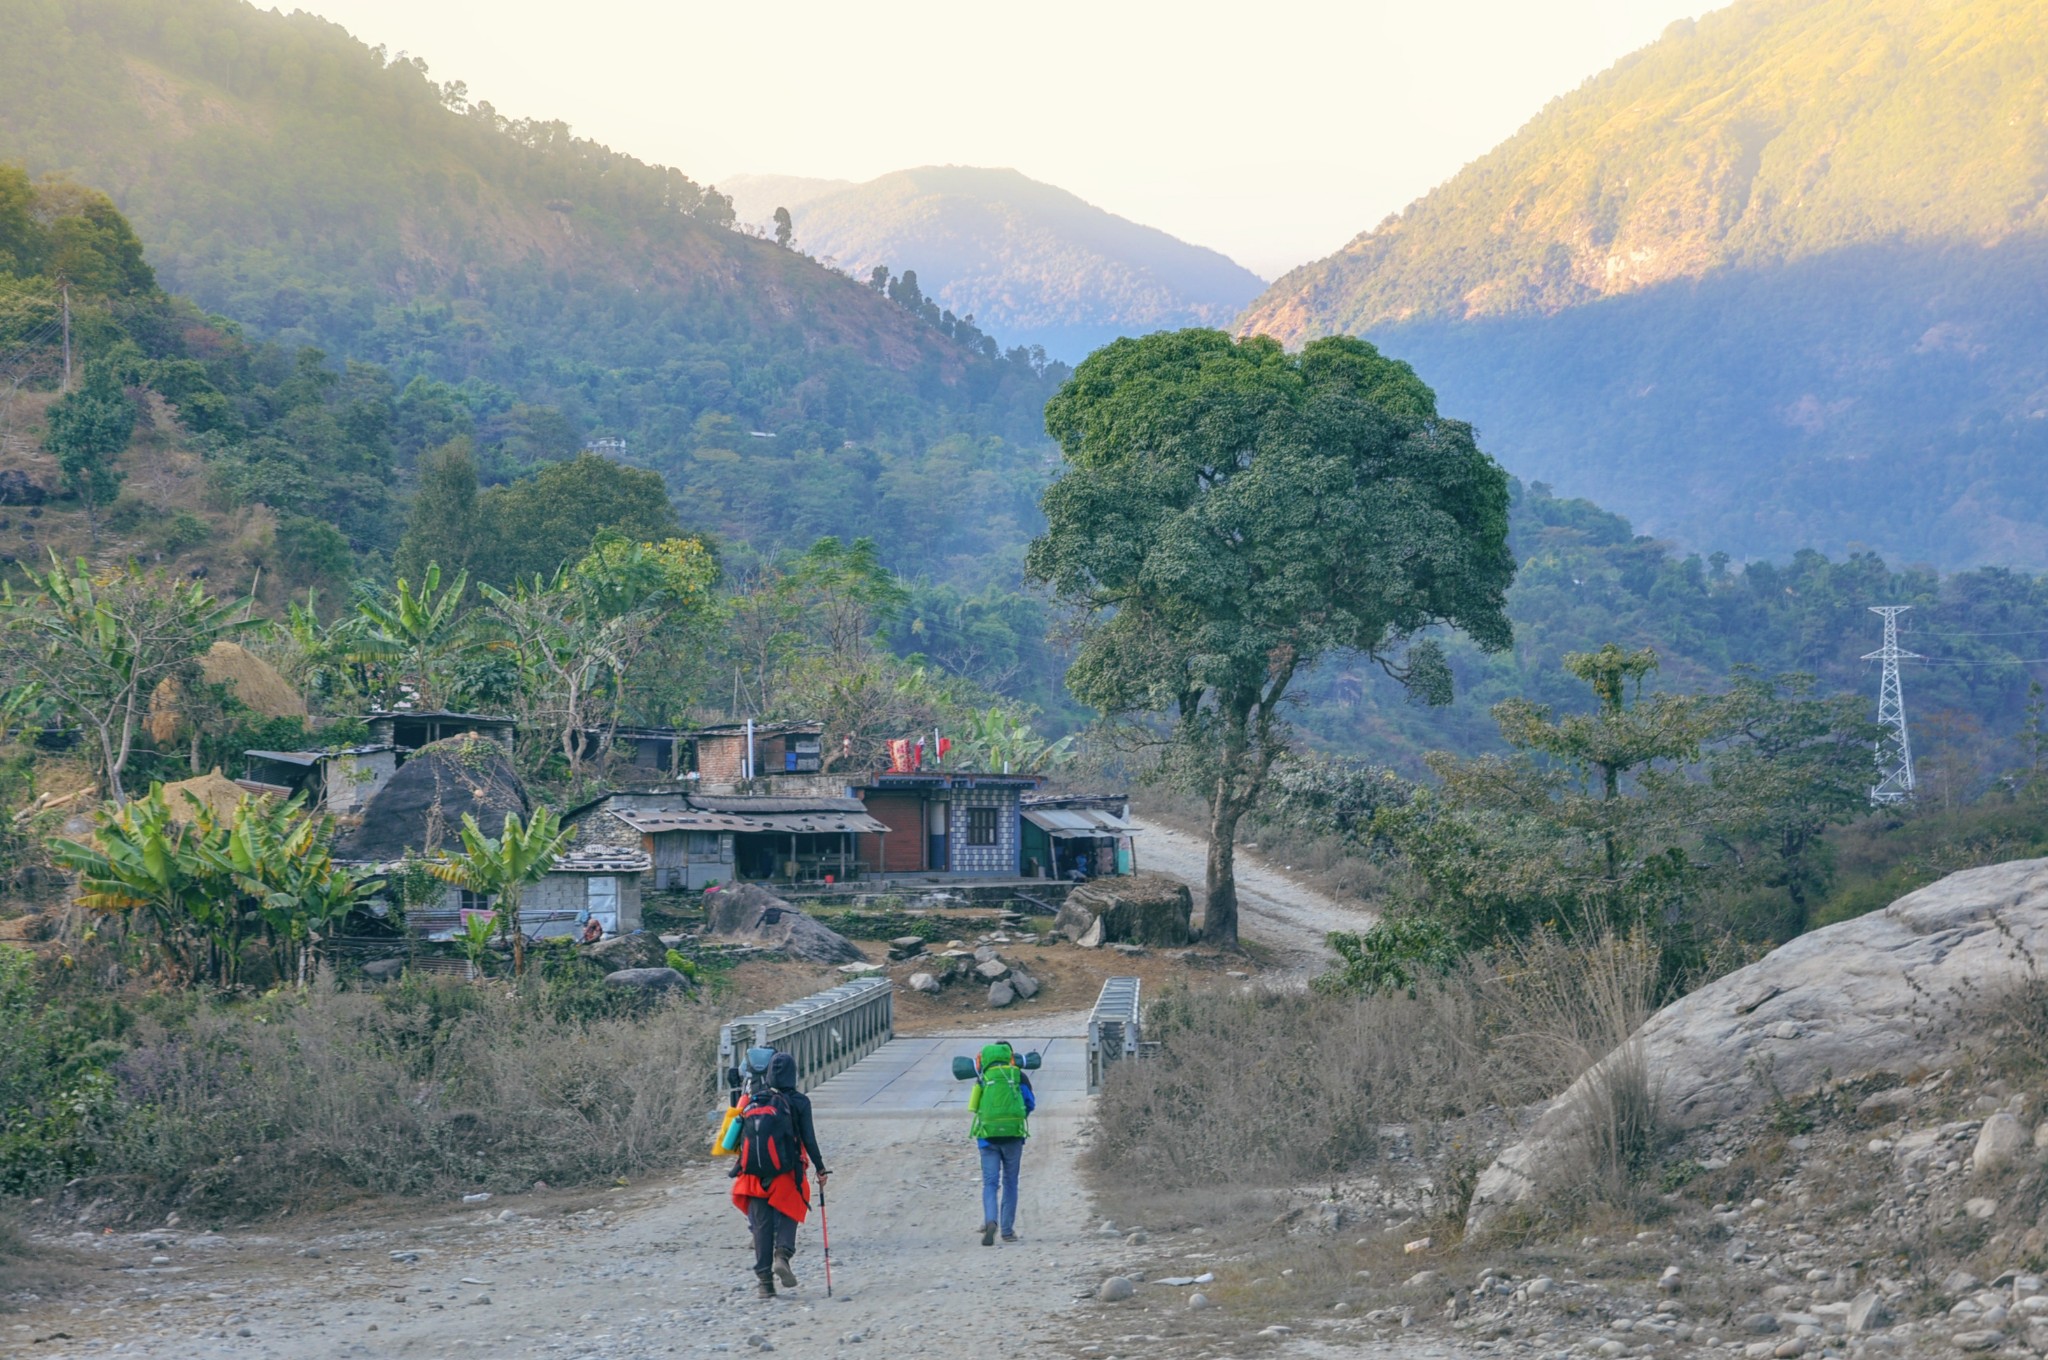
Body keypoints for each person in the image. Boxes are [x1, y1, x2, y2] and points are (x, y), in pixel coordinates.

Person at [729, 1052, 829, 1298]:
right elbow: (809, 1139)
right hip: (786, 1172)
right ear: (793, 1074)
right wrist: (820, 1167)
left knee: (761, 1224)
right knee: (790, 1210)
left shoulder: (756, 1098)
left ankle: (765, 1284)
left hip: (752, 1173)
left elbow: (737, 1137)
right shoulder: (800, 1102)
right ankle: (782, 1256)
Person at [968, 1041, 1034, 1246]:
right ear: (1010, 1056)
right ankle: (1007, 1231)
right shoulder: (1018, 1076)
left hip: (987, 1138)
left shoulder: (983, 1078)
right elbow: (1030, 1103)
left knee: (990, 1183)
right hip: (1013, 1136)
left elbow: (973, 1106)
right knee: (1010, 1182)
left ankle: (990, 1221)